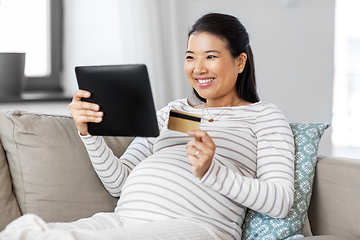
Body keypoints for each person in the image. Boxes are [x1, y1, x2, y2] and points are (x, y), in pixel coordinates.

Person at [0, 12, 294, 240]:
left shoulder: (263, 117)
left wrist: (212, 171)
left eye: (211, 57)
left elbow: (280, 201)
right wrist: (89, 133)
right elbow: (119, 182)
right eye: (190, 57)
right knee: (22, 231)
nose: (198, 68)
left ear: (240, 62)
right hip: (124, 220)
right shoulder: (175, 113)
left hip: (195, 227)